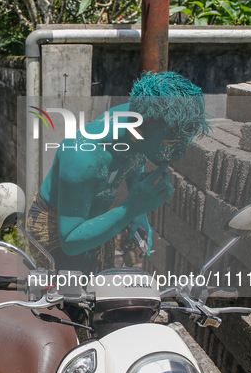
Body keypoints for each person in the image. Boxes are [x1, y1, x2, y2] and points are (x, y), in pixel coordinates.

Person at [27, 72, 209, 274]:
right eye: (172, 143)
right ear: (135, 131)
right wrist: (130, 208)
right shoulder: (82, 157)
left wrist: (138, 214)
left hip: (95, 218)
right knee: (74, 297)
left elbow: (134, 155)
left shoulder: (141, 122)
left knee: (103, 287)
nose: (181, 152)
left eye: (184, 142)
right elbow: (70, 242)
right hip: (59, 228)